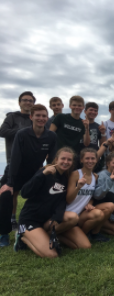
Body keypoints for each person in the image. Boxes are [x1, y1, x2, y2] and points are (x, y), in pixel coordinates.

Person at [14, 147, 91, 258]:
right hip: (30, 219)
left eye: (69, 160)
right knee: (52, 254)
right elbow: (24, 193)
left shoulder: (65, 178)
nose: (65, 162)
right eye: (63, 158)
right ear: (56, 159)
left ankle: (45, 236)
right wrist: (42, 174)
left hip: (47, 220)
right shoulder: (45, 172)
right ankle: (22, 237)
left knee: (84, 244)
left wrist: (57, 217)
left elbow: (62, 201)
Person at [0, 104, 57, 245]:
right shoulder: (22, 134)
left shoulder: (51, 136)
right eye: (38, 115)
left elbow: (52, 158)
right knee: (6, 195)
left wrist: (49, 176)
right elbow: (15, 159)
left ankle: (35, 227)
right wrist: (10, 183)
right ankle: (4, 233)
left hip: (35, 172)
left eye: (44, 115)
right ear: (31, 117)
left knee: (46, 195)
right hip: (15, 171)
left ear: (47, 118)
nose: (41, 118)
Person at [66, 148, 114, 242]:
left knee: (110, 206)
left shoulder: (95, 176)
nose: (90, 161)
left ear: (96, 160)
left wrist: (90, 203)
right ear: (81, 160)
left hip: (83, 212)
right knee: (98, 214)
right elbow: (68, 199)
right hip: (71, 213)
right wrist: (78, 187)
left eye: (93, 158)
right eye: (87, 158)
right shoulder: (75, 174)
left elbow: (90, 196)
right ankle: (82, 235)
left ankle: (93, 234)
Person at [93, 153, 114, 236]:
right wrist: (109, 180)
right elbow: (97, 195)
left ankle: (101, 226)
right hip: (99, 208)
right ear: (108, 164)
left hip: (110, 210)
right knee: (110, 205)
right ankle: (94, 228)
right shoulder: (102, 175)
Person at [0, 91, 34, 163]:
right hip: (14, 161)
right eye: (25, 100)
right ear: (19, 103)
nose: (28, 102)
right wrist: (22, 131)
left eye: (31, 101)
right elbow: (2, 132)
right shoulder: (11, 117)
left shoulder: (36, 119)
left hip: (33, 161)